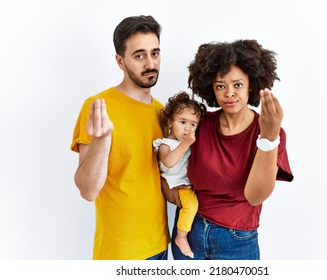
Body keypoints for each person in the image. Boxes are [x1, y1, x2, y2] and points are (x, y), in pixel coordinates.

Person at [162, 39, 294, 260]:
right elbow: (166, 156)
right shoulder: (200, 125)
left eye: (238, 85)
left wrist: (268, 137)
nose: (229, 93)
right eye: (220, 86)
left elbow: (255, 196)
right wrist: (167, 188)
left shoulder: (270, 133)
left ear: (251, 84)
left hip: (237, 241)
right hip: (189, 231)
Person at [70, 15, 170, 260]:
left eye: (154, 53)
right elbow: (87, 190)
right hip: (120, 253)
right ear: (120, 61)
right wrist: (102, 141)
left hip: (160, 244)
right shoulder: (98, 107)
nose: (150, 63)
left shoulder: (162, 112)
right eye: (139, 55)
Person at [153, 91, 206, 259]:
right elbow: (168, 162)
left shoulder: (185, 143)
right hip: (175, 184)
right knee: (191, 205)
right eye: (183, 122)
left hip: (185, 183)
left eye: (193, 124)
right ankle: (181, 237)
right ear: (170, 121)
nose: (188, 128)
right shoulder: (165, 144)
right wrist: (185, 144)